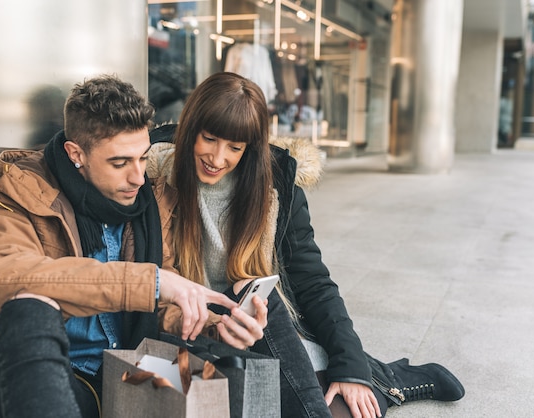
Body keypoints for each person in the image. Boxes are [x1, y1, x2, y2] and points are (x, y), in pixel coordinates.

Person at [147, 72, 465, 418]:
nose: (218, 158)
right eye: (208, 139)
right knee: (269, 404)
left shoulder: (274, 188)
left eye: (235, 148)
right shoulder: (152, 177)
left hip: (263, 328)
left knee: (340, 397)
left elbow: (312, 281)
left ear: (250, 148)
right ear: (190, 127)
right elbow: (145, 285)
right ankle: (388, 381)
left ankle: (377, 379)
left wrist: (350, 366)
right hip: (191, 331)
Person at [0, 74, 238, 418]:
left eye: (143, 158)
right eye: (119, 163)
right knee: (28, 309)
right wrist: (150, 283)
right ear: (77, 154)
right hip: (52, 376)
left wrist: (215, 326)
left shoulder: (151, 202)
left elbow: (161, 309)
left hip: (131, 370)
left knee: (225, 381)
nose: (137, 177)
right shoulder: (17, 191)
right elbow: (2, 274)